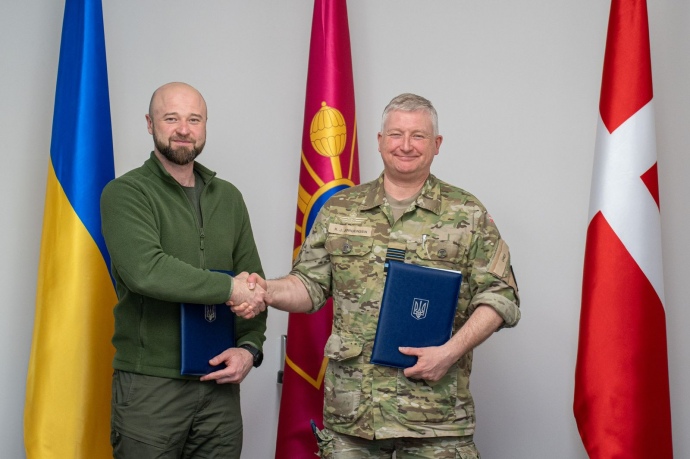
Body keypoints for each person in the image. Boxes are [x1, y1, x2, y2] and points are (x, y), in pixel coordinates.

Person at [236, 93, 520, 458]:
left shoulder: (467, 213)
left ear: (437, 144)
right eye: (396, 134)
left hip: (435, 418)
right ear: (380, 140)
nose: (406, 145)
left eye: (418, 136)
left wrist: (450, 352)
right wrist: (266, 290)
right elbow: (309, 284)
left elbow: (501, 296)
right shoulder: (340, 209)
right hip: (353, 417)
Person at [100, 82, 267, 459]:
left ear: (205, 125)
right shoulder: (126, 193)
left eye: (194, 119)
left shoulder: (229, 198)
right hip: (151, 387)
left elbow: (254, 283)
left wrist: (249, 348)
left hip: (220, 388)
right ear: (149, 123)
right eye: (171, 118)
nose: (183, 129)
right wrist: (230, 288)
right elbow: (147, 271)